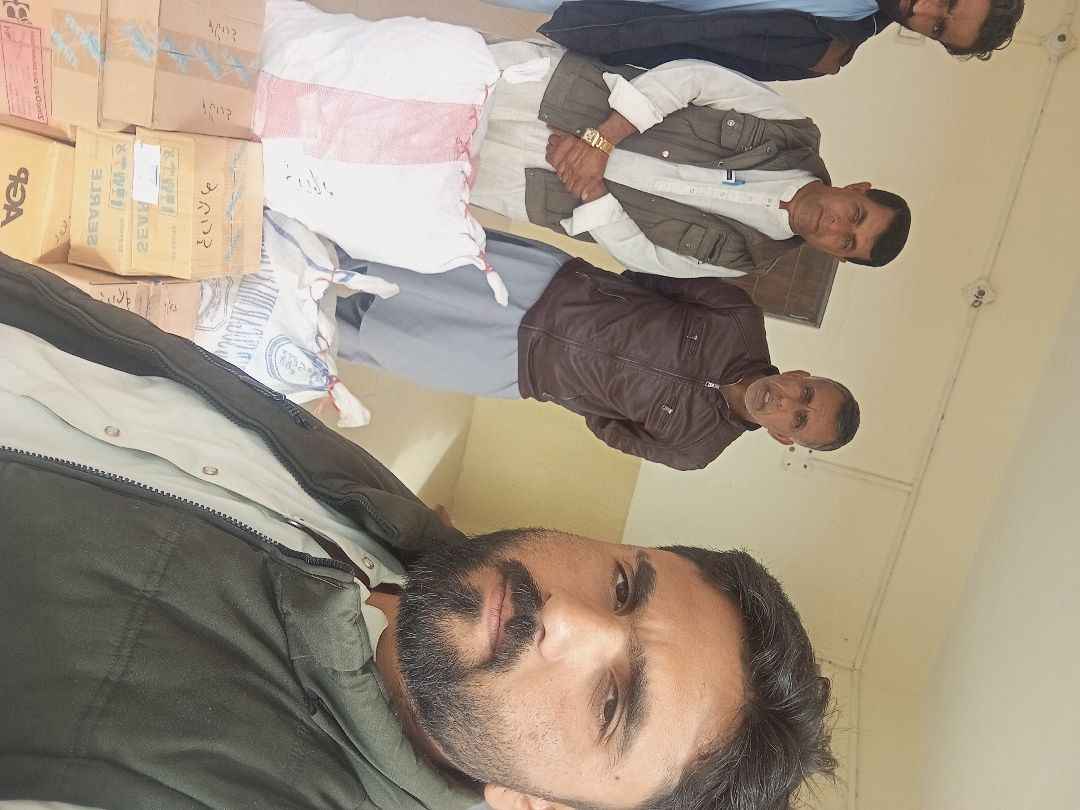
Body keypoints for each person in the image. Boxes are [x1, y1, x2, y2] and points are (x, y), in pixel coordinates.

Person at [0, 249, 836, 809]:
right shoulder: (398, 541)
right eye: (622, 586)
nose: (567, 619)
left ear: (538, 807)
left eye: (613, 703)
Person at [336, 231, 861, 470]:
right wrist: (595, 301)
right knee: (396, 252)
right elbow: (649, 277)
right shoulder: (739, 318)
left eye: (798, 419)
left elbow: (608, 428)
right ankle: (294, 225)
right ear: (801, 374)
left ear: (783, 437)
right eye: (805, 394)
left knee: (378, 339)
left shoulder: (694, 450)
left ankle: (288, 315)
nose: (787, 402)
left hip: (517, 369)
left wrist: (575, 381)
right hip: (543, 284)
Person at [472, 41, 912, 282]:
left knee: (427, 164)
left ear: (836, 257)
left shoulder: (741, 258)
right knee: (435, 78)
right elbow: (696, 79)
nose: (835, 226)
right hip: (557, 94)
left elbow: (645, 256)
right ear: (857, 189)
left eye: (846, 242)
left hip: (535, 186)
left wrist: (592, 190)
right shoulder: (791, 130)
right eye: (854, 215)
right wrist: (602, 141)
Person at [489, 0, 1025, 80]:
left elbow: (696, 59)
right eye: (947, 0)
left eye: (938, 27)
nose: (924, 10)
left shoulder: (826, 52)